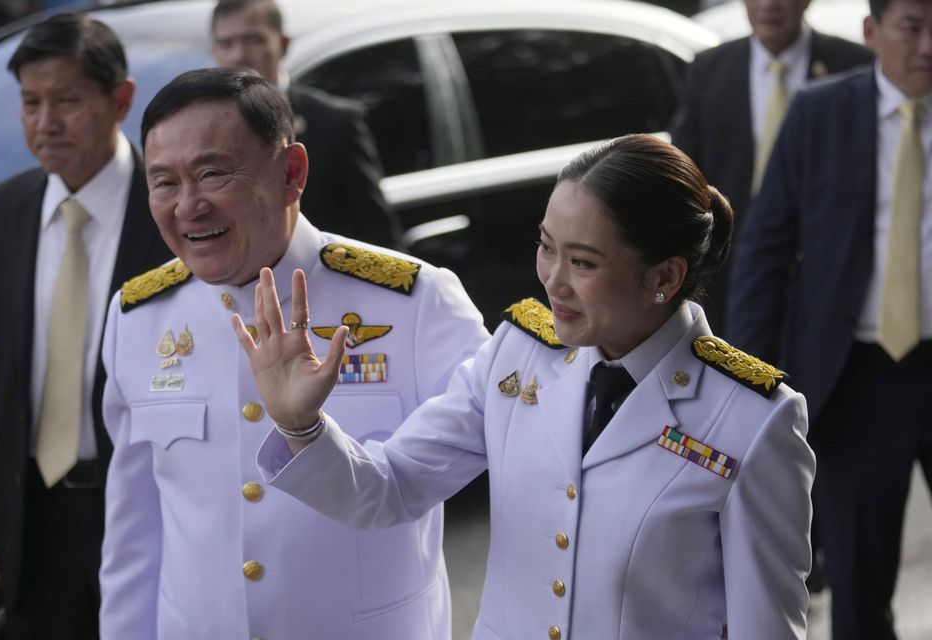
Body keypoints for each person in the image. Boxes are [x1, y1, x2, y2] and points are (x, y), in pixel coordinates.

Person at [241, 134, 816, 639]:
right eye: (546, 247)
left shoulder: (753, 420)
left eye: (583, 263)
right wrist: (302, 427)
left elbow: (766, 627)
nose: (552, 281)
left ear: (664, 276)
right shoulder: (516, 355)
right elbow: (389, 488)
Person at [97, 67, 488, 639]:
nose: (188, 206)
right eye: (163, 183)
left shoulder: (413, 300)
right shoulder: (138, 316)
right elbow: (135, 530)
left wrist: (309, 435)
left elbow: (476, 460)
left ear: (292, 172)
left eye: (213, 174)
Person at [727, 0, 932, 636]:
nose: (928, 46)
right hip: (860, 379)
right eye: (913, 27)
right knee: (859, 578)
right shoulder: (821, 114)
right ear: (871, 31)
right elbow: (764, 249)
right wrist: (748, 378)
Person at [0, 13, 172, 639]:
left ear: (120, 100)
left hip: (145, 509)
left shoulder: (170, 209)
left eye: (66, 101)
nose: (44, 123)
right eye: (30, 104)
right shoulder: (3, 211)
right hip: (31, 515)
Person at [670, 0, 872, 334]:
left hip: (826, 266)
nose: (769, 4)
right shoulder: (710, 68)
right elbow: (684, 169)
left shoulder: (852, 64)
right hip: (730, 265)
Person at [210, 0, 403, 249]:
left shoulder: (335, 123)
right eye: (226, 43)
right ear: (214, 51)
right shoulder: (205, 132)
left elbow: (378, 235)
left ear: (283, 44)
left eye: (253, 40)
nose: (239, 55)